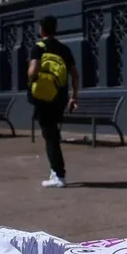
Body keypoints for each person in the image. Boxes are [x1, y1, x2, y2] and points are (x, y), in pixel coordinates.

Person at [28, 15, 79, 187]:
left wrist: (30, 75)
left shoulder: (39, 48)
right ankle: (55, 170)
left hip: (43, 97)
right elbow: (75, 74)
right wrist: (74, 96)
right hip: (59, 96)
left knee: (50, 135)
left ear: (42, 29)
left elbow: (33, 70)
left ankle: (59, 175)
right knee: (52, 133)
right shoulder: (64, 49)